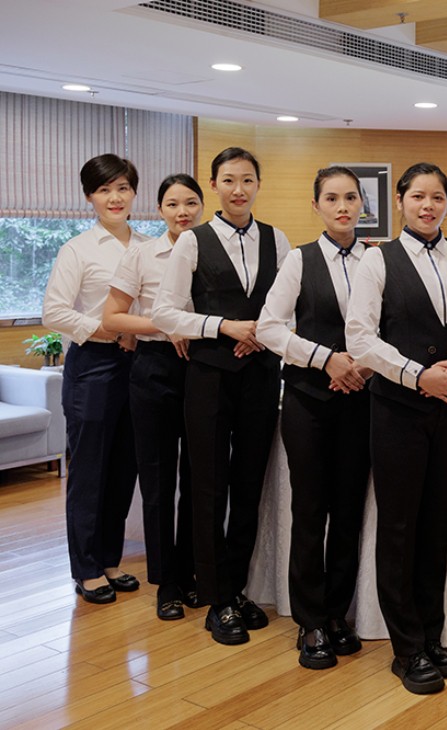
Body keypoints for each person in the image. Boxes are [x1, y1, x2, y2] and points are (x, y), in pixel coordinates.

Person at [345, 162, 447, 694]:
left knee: (437, 524)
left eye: (437, 197)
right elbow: (359, 337)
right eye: (418, 196)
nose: (428, 205)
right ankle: (406, 647)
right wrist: (418, 376)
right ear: (400, 201)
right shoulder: (377, 261)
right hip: (397, 410)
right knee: (399, 527)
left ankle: (432, 635)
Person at [151, 147, 289, 645]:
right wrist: (224, 326)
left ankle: (237, 587)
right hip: (208, 376)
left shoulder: (277, 239)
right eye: (228, 180)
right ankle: (215, 599)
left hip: (261, 375)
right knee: (208, 486)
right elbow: (165, 312)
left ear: (258, 185)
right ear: (214, 186)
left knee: (249, 485)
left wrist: (262, 334)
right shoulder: (193, 240)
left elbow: (286, 308)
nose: (238, 189)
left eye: (247, 180)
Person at [256, 166, 373, 669]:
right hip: (307, 400)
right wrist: (326, 360)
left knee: (348, 511)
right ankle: (310, 622)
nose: (342, 206)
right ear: (316, 206)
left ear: (362, 204)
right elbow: (269, 327)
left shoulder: (379, 259)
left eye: (350, 197)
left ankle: (337, 614)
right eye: (331, 198)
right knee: (310, 510)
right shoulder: (299, 260)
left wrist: (363, 366)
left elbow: (389, 328)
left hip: (363, 397)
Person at [43, 153, 148, 604]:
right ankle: (85, 569)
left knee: (124, 469)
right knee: (89, 472)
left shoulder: (148, 246)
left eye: (122, 188)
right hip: (93, 365)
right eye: (104, 190)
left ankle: (109, 560)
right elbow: (54, 312)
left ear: (134, 192)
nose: (115, 197)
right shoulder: (78, 249)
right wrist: (110, 330)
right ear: (89, 197)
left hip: (138, 366)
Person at [102, 174, 203, 621]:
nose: (183, 212)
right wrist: (169, 325)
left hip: (203, 369)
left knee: (199, 478)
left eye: (191, 202)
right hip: (154, 369)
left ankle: (193, 572)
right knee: (158, 480)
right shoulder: (142, 253)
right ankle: (166, 583)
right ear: (160, 210)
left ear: (202, 206)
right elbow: (113, 317)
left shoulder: (212, 250)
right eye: (173, 204)